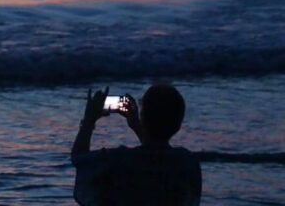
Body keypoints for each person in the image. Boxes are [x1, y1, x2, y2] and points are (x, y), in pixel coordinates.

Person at [71, 84, 201, 206]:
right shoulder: (187, 163)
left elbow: (80, 160)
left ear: (143, 116)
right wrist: (137, 125)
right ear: (178, 126)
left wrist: (89, 119)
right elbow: (156, 155)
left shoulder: (118, 160)